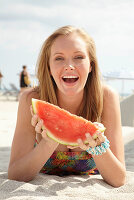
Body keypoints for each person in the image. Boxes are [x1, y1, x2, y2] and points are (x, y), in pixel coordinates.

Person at [8, 25, 126, 187]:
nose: (69, 65)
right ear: (48, 67)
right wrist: (48, 142)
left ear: (91, 65)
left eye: (78, 57)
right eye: (59, 58)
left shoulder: (106, 97)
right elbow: (15, 174)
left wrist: (98, 147)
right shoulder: (31, 99)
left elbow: (118, 179)